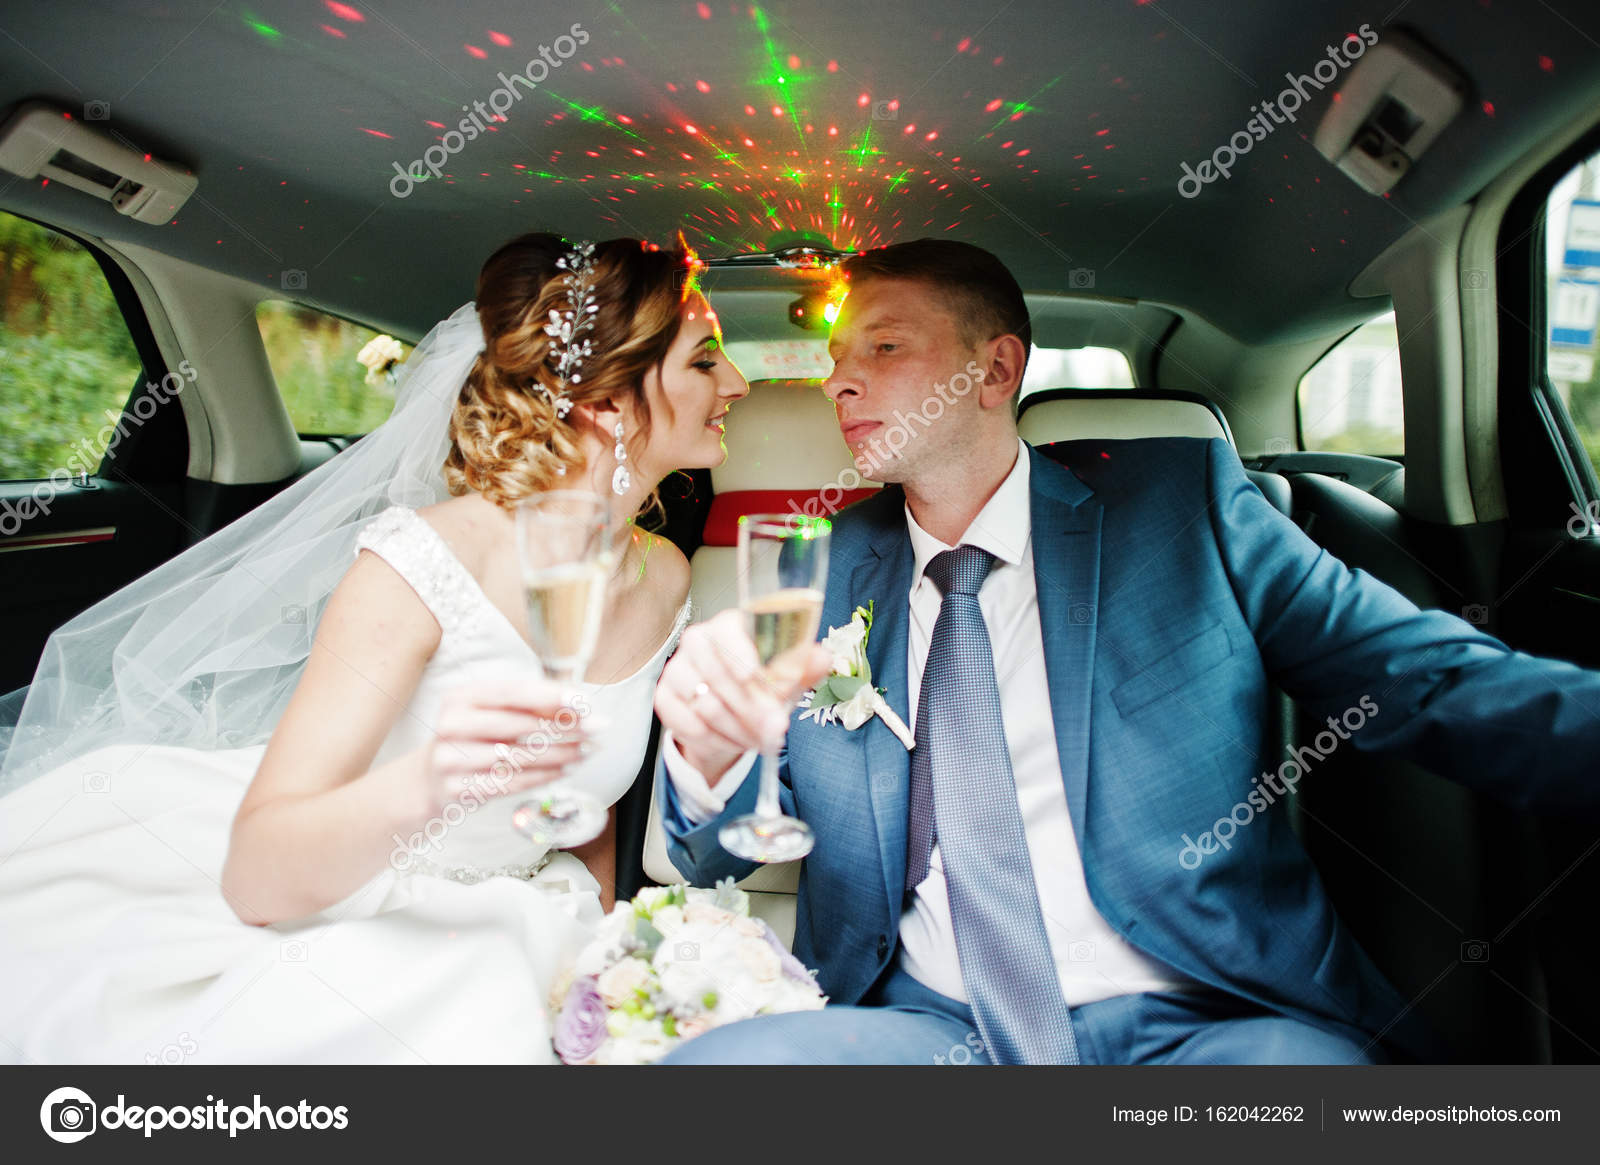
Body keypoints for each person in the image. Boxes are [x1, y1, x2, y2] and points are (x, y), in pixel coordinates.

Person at [652, 238, 1600, 1065]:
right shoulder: (817, 567)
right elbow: (717, 853)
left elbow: (1423, 678)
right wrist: (708, 755)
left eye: (884, 347)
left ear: (994, 369)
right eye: (835, 360)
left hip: (1206, 1023)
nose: (839, 381)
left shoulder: (1182, 508)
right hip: (930, 1026)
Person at [0, 233, 749, 1064]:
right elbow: (258, 877)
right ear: (609, 403)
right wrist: (431, 781)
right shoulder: (425, 560)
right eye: (707, 360)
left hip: (519, 913)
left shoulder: (668, 578)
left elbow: (588, 810)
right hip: (325, 887)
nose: (740, 385)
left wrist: (607, 955)